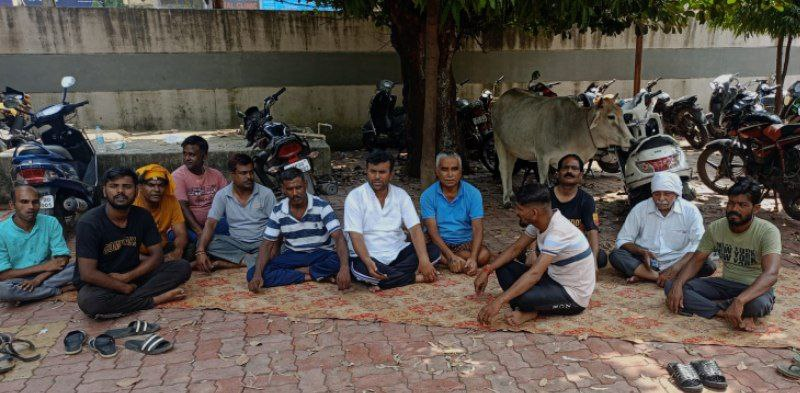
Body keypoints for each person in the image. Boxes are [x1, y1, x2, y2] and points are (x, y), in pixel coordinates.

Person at [666, 177, 781, 331]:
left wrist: (740, 300)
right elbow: (696, 261)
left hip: (754, 288)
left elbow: (771, 274)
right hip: (725, 284)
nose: (735, 209)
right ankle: (723, 312)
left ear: (756, 209)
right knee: (671, 286)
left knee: (758, 305)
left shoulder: (768, 231)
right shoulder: (716, 228)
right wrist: (678, 285)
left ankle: (731, 307)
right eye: (731, 203)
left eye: (742, 205)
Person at [75, 168, 191, 319]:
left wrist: (127, 278)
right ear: (104, 191)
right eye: (114, 186)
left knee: (182, 266)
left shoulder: (143, 216)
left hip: (133, 273)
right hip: (102, 282)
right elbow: (87, 273)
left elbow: (157, 256)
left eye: (127, 186)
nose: (120, 191)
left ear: (136, 190)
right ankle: (153, 300)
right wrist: (122, 287)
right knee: (89, 302)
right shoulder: (89, 223)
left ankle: (126, 302)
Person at [474, 182, 595, 327]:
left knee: (523, 297)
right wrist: (487, 270)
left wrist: (498, 301)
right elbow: (515, 249)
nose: (516, 212)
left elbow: (535, 274)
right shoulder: (540, 222)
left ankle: (532, 311)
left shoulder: (557, 232)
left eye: (519, 209)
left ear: (534, 213)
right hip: (553, 279)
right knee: (503, 266)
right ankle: (529, 307)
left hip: (573, 296)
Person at [345, 150, 441, 291]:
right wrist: (368, 261)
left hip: (397, 252)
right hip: (368, 256)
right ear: (367, 171)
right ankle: (413, 277)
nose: (377, 177)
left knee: (433, 251)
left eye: (382, 172)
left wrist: (424, 260)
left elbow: (415, 229)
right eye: (373, 172)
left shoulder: (401, 195)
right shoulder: (355, 197)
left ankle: (387, 280)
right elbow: (356, 237)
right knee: (361, 268)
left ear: (391, 174)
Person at [247, 169, 351, 291]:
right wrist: (257, 275)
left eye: (299, 187)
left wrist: (344, 268)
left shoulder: (322, 206)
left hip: (321, 254)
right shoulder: (278, 210)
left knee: (342, 262)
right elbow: (266, 244)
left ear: (306, 185)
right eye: (290, 189)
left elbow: (338, 237)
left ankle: (296, 273)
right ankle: (311, 276)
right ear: (283, 189)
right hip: (293, 255)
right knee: (252, 273)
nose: (295, 193)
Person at [610, 172, 712, 285]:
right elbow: (623, 240)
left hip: (679, 260)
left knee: (708, 265)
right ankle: (659, 277)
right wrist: (641, 251)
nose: (661, 198)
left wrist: (676, 267)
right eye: (657, 194)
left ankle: (644, 275)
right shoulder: (640, 209)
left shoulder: (690, 211)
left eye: (667, 194)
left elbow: (699, 244)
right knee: (616, 255)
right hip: (647, 262)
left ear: (676, 194)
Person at [195, 154, 276, 272]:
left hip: (261, 243)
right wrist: (200, 251)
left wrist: (272, 247)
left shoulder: (266, 193)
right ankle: (251, 260)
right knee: (204, 242)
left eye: (251, 172)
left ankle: (232, 263)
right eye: (243, 173)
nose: (249, 176)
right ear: (232, 175)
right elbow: (211, 223)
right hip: (236, 243)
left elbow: (277, 224)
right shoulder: (222, 195)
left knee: (283, 246)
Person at [0, 185, 74, 303]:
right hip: (17, 279)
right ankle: (56, 291)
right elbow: (3, 275)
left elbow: (62, 260)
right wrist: (44, 266)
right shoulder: (1, 231)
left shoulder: (51, 222)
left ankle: (31, 294)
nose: (31, 207)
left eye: (35, 202)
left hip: (48, 274)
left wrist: (37, 280)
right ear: (12, 205)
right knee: (3, 290)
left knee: (81, 266)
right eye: (24, 202)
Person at [420, 152, 490, 276]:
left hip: (463, 243)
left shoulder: (473, 193)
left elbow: (477, 228)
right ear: (437, 171)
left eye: (454, 169)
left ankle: (445, 260)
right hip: (438, 242)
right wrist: (450, 256)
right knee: (420, 245)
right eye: (444, 169)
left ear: (461, 171)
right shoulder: (428, 195)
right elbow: (433, 232)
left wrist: (473, 258)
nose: (450, 175)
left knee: (483, 256)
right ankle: (451, 260)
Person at [550, 154, 606, 269]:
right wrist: (530, 252)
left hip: (573, 248)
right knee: (525, 254)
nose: (569, 171)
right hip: (548, 246)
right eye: (565, 168)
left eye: (574, 169)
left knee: (600, 258)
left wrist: (593, 261)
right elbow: (533, 227)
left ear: (580, 175)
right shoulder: (545, 196)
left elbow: (592, 230)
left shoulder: (587, 200)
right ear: (558, 173)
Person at [172, 135, 229, 242]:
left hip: (213, 224)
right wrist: (200, 233)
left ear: (204, 156)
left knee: (232, 229)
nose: (187, 158)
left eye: (192, 155)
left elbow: (229, 200)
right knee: (182, 237)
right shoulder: (177, 176)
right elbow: (183, 208)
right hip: (190, 227)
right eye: (184, 154)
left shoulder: (216, 175)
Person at [133, 164, 189, 262]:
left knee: (190, 248)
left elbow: (181, 233)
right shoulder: (132, 202)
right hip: (137, 252)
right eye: (151, 185)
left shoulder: (171, 201)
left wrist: (178, 250)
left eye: (161, 185)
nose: (157, 190)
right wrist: (158, 260)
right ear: (140, 186)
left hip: (161, 248)